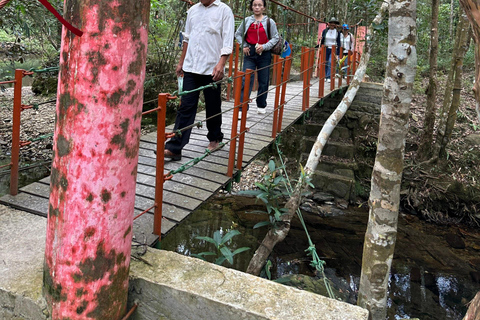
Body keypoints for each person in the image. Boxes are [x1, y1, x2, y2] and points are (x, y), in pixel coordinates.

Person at [164, 0, 235, 161]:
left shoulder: (224, 11)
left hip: (212, 68)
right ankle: (175, 147)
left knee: (213, 105)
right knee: (185, 106)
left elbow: (227, 41)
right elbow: (187, 39)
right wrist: (181, 62)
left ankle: (215, 138)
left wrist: (221, 64)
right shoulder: (193, 10)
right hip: (191, 67)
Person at [234, 0, 279, 118]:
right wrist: (244, 45)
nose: (257, 7)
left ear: (264, 7)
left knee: (263, 80)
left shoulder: (270, 22)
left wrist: (264, 47)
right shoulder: (247, 20)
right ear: (251, 7)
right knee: (246, 79)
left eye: (259, 5)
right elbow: (238, 34)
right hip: (250, 52)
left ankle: (261, 104)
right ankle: (242, 108)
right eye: (255, 5)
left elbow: (275, 38)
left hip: (264, 53)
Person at [320, 17, 341, 83]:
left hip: (333, 49)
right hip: (325, 48)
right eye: (331, 23)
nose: (332, 24)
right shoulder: (325, 31)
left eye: (334, 23)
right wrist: (320, 46)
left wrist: (338, 53)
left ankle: (328, 77)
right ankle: (326, 76)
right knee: (325, 62)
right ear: (329, 24)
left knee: (330, 62)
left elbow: (339, 42)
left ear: (335, 24)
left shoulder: (337, 32)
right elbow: (322, 40)